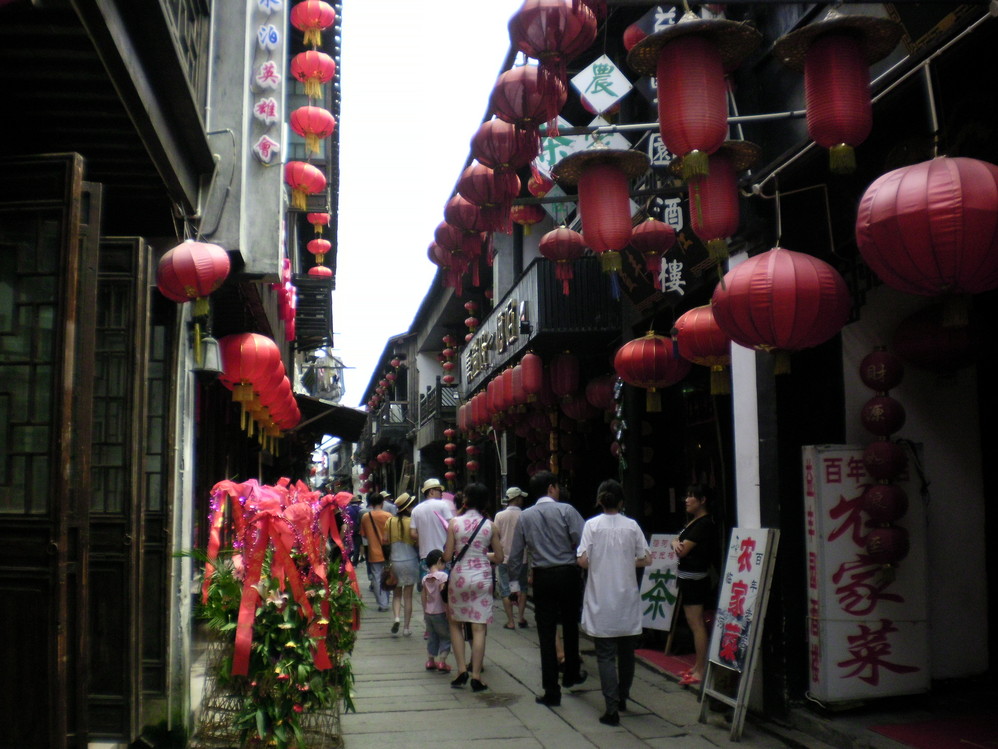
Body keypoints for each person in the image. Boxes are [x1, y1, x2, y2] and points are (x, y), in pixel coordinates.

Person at [508, 470, 587, 707]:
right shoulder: (567, 510)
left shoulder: (525, 516)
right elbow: (583, 540)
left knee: (546, 631)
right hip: (567, 573)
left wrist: (515, 583)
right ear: (552, 488)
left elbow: (515, 553)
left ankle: (551, 690)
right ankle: (571, 672)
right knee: (570, 624)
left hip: (542, 576)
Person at [577, 479, 652, 726]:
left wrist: (600, 560)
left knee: (606, 654)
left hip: (601, 597)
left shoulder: (592, 525)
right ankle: (622, 697)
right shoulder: (632, 526)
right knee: (627, 652)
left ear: (600, 500)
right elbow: (647, 558)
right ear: (621, 502)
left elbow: (583, 560)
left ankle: (611, 708)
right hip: (626, 597)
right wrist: (626, 561)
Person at [444, 482, 503, 692]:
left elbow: (447, 555)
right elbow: (500, 557)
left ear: (466, 499)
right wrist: (482, 555)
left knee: (455, 624)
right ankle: (476, 676)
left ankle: (461, 670)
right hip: (482, 579)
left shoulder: (454, 523)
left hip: (459, 577)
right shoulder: (490, 526)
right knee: (479, 628)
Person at [671, 483, 719, 687]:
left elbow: (682, 550)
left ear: (702, 500)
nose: (687, 500)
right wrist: (675, 543)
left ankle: (701, 669)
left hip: (695, 579)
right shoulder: (694, 522)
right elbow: (678, 541)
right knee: (693, 623)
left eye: (691, 496)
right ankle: (697, 665)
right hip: (688, 577)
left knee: (697, 623)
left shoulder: (704, 523)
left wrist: (677, 544)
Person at [383, 493, 419, 636]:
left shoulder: (390, 521)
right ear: (408, 507)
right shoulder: (412, 522)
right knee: (408, 596)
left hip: (395, 561)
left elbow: (385, 540)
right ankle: (406, 628)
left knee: (396, 594)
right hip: (411, 560)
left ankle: (397, 617)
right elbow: (417, 540)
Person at [493, 486, 529, 629]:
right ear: (517, 499)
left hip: (504, 557)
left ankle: (510, 621)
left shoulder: (500, 516)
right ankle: (521, 617)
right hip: (522, 558)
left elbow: (496, 535)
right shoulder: (524, 515)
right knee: (523, 587)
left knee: (505, 589)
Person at [410, 478, 454, 582]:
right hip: (443, 555)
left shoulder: (416, 510)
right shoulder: (443, 505)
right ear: (431, 491)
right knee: (444, 587)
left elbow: (412, 533)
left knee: (427, 587)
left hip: (425, 556)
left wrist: (424, 535)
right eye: (439, 490)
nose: (442, 493)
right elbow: (452, 527)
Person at [420, 548, 452, 673]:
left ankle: (430, 660)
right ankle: (442, 661)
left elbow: (423, 596)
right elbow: (444, 595)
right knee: (445, 636)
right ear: (439, 561)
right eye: (443, 563)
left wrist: (425, 610)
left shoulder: (425, 578)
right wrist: (448, 610)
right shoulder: (443, 576)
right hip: (441, 611)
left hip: (429, 612)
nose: (444, 566)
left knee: (432, 637)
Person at [359, 493, 392, 612]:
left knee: (377, 577)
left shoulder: (366, 517)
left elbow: (364, 535)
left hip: (373, 551)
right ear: (382, 503)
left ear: (371, 504)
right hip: (388, 552)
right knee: (387, 575)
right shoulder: (388, 516)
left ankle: (382, 603)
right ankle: (386, 599)